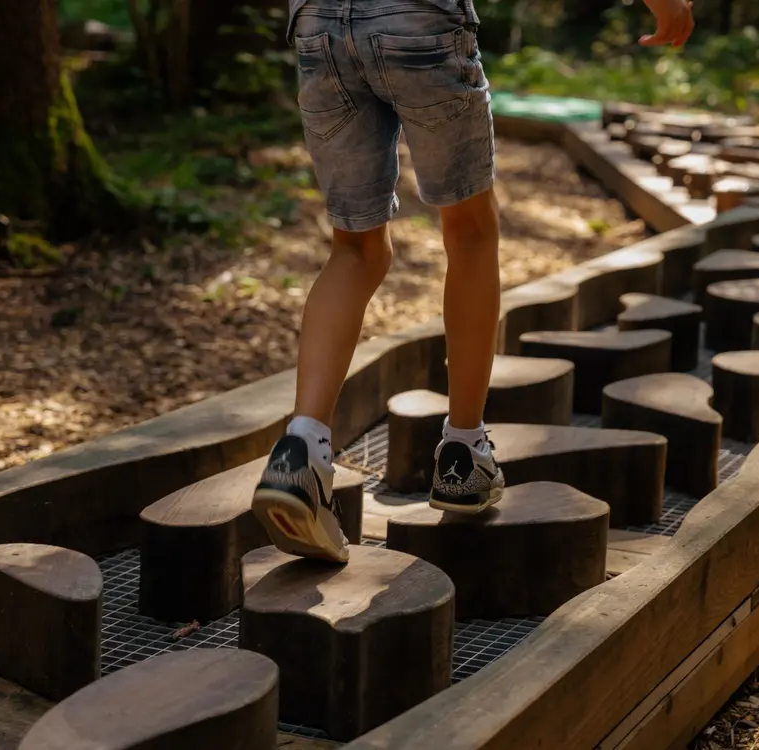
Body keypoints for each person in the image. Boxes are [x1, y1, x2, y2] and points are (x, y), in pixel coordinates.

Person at [252, 0, 695, 563]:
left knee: (357, 248)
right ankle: (463, 453)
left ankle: (300, 452)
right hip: (418, 20)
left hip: (318, 25)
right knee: (470, 235)